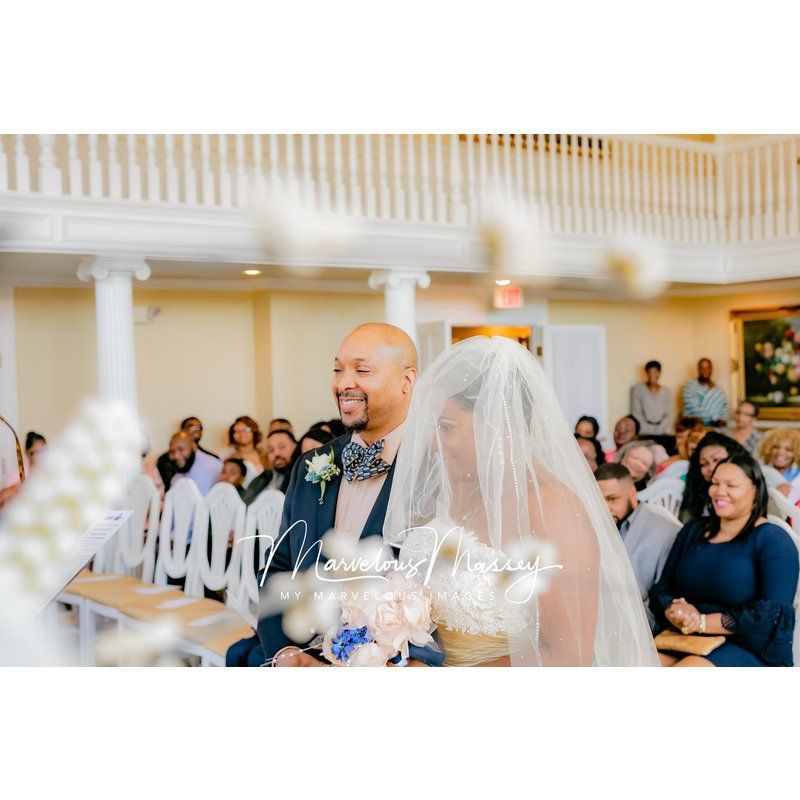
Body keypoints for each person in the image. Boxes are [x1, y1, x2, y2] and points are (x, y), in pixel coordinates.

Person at [383, 335, 659, 666]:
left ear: (497, 424)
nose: (433, 445)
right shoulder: (453, 492)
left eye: (446, 427)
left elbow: (566, 655)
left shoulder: (553, 508)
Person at [253, 323, 445, 668]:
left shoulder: (439, 468)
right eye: (338, 369)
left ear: (408, 381)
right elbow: (278, 566)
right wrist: (285, 651)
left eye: (362, 370)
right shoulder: (311, 465)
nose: (343, 383)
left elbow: (452, 588)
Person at [651, 454, 798, 666]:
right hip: (684, 638)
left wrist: (700, 622)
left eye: (731, 485)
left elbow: (770, 616)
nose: (720, 492)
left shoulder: (773, 540)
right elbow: (662, 589)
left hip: (747, 646)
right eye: (715, 483)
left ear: (756, 491)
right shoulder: (693, 530)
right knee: (638, 663)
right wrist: (675, 611)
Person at [594, 463, 680, 630]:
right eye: (598, 499)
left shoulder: (664, 532)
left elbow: (662, 596)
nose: (604, 508)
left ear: (632, 492)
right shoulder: (592, 522)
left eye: (612, 499)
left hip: (640, 622)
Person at [678, 431, 747, 523]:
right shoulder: (696, 494)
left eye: (717, 460)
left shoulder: (746, 496)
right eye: (704, 464)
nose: (711, 468)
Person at [244, 429, 297, 499]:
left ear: (295, 447)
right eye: (271, 450)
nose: (276, 454)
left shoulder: (303, 477)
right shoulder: (262, 478)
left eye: (282, 447)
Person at [166, 431, 222, 496]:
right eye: (172, 452)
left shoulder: (213, 466)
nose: (176, 456)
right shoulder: (177, 476)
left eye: (181, 449)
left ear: (194, 447)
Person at [630, 360, 673, 438]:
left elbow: (668, 415)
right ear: (646, 373)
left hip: (663, 432)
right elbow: (636, 414)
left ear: (659, 373)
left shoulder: (667, 391)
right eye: (650, 372)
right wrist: (649, 431)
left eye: (656, 371)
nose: (653, 374)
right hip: (643, 432)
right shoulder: (637, 389)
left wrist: (658, 431)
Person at [682, 358, 728, 426]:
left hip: (718, 426)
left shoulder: (718, 388)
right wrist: (713, 419)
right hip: (696, 425)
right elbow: (692, 407)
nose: (705, 370)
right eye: (701, 368)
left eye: (707, 367)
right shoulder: (690, 386)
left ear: (711, 369)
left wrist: (723, 420)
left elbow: (725, 406)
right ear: (698, 370)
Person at [221, 416, 265, 487]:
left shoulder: (265, 454)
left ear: (254, 431)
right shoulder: (229, 457)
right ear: (233, 436)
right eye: (237, 431)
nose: (242, 434)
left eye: (246, 430)